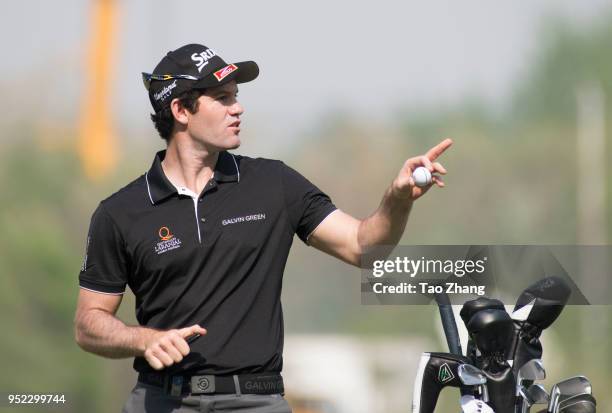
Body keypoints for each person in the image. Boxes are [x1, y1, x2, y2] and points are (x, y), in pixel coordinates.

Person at [74, 43, 452, 413]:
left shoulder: (274, 184)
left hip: (257, 401)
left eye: (235, 96)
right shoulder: (120, 212)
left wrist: (397, 197)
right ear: (180, 110)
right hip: (161, 400)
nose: (237, 108)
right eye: (222, 98)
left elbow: (362, 246)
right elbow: (89, 324)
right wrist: (144, 340)